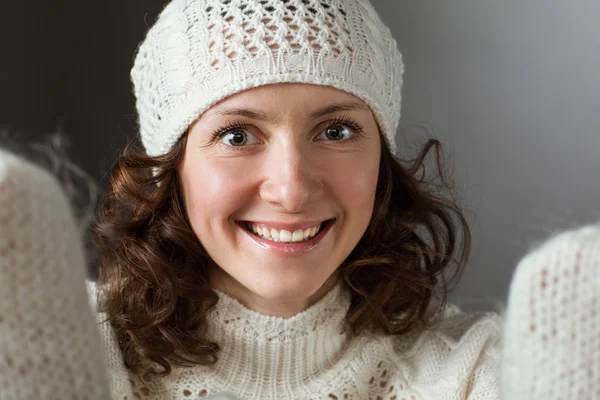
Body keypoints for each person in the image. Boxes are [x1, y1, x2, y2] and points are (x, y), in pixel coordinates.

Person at [88, 0, 503, 398]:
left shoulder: (473, 371)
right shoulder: (81, 343)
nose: (292, 191)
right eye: (237, 136)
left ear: (382, 158)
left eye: (336, 131)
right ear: (172, 169)